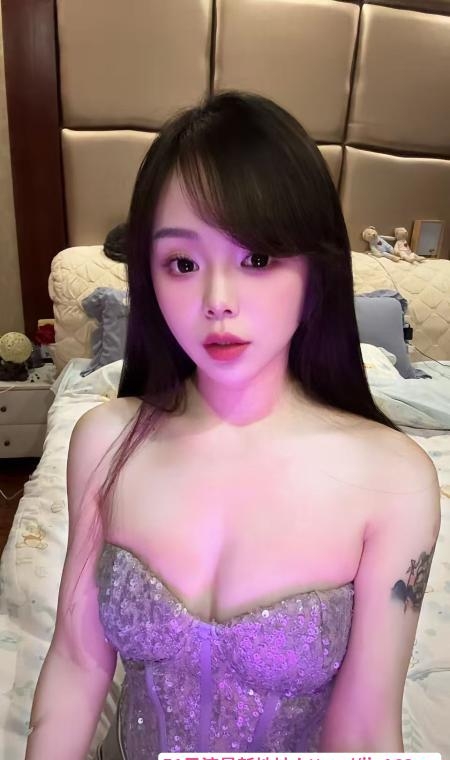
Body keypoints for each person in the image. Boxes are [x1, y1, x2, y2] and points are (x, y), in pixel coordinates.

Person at [25, 90, 441, 760]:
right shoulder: (105, 441)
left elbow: (364, 730)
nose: (217, 302)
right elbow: (77, 663)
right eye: (183, 264)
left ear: (315, 269)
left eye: (257, 259)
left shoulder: (394, 480)